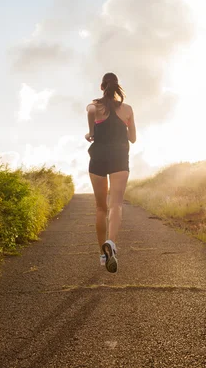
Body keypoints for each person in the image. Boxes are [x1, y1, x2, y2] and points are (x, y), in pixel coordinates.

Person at [85, 72, 136, 273]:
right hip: (119, 158)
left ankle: (102, 253)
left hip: (98, 156)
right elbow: (133, 138)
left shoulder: (95, 106)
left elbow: (90, 111)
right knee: (116, 204)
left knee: (100, 208)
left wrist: (91, 132)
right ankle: (111, 243)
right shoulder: (127, 109)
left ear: (102, 87)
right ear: (117, 87)